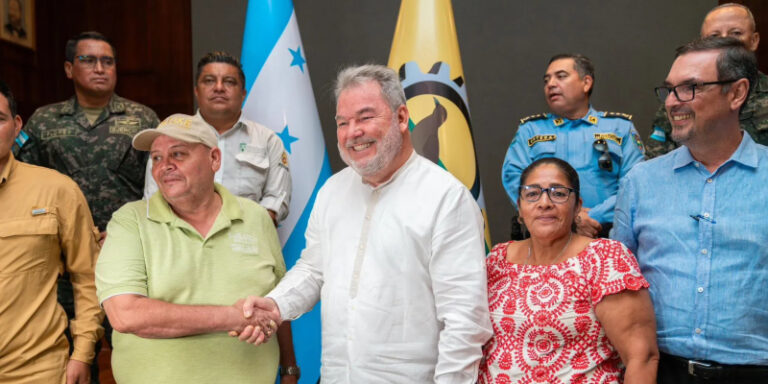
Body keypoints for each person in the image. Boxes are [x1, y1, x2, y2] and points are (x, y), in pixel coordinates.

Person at [236, 64, 492, 383]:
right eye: (342, 122)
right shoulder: (332, 191)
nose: (352, 132)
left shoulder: (446, 198)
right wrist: (276, 305)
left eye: (365, 117)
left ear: (401, 118)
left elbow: (465, 320)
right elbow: (314, 270)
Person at [612, 37, 768, 383]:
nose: (671, 103)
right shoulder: (641, 181)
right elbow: (617, 287)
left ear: (737, 93)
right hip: (661, 372)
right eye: (669, 90)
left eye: (689, 88)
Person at [95, 113, 285, 383]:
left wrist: (289, 367)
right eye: (157, 158)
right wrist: (232, 317)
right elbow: (126, 314)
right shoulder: (129, 221)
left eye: (178, 154)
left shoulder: (256, 217)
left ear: (214, 159)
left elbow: (278, 302)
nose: (165, 166)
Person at [481, 157, 658, 383]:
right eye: (532, 193)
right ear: (520, 208)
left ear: (577, 207)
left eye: (558, 193)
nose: (544, 202)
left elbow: (641, 357)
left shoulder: (604, 259)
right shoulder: (497, 259)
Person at [0, 80, 104, 383]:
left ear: (17, 125)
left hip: (36, 371)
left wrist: (83, 352)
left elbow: (88, 275)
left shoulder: (57, 190)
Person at [502, 53, 644, 239]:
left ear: (586, 83)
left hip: (607, 234)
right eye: (547, 80)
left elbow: (635, 184)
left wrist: (594, 217)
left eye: (560, 76)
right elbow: (514, 179)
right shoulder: (530, 131)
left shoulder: (620, 128)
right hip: (547, 238)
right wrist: (567, 218)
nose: (551, 84)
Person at [144, 52, 291, 225]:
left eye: (229, 81)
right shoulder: (170, 137)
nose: (219, 87)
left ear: (243, 94)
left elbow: (276, 201)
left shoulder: (268, 140)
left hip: (246, 241)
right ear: (197, 91)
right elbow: (153, 199)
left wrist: (246, 233)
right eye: (209, 80)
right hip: (181, 241)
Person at [646, 3, 768, 157]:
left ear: (754, 40)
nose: (725, 41)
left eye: (736, 33)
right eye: (714, 36)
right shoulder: (679, 100)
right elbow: (656, 163)